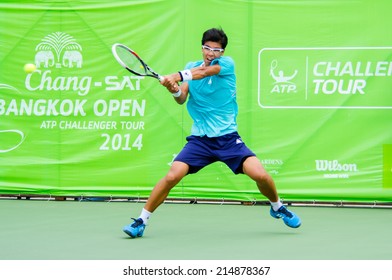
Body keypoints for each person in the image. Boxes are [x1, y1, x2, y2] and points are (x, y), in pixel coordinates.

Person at [123, 28, 301, 238]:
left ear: (222, 52)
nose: (210, 53)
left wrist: (175, 75)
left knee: (260, 174)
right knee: (172, 176)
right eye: (207, 48)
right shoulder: (190, 67)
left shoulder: (226, 65)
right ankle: (141, 221)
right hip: (200, 140)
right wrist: (173, 89)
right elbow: (182, 98)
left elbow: (205, 72)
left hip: (227, 139)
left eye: (216, 50)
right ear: (202, 48)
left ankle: (277, 206)